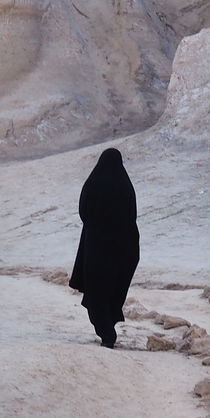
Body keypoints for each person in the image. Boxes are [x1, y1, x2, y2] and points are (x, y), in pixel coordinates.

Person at [69, 147, 139, 347]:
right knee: (112, 287)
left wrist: (97, 225)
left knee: (96, 288)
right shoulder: (126, 186)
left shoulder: (93, 183)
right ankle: (109, 327)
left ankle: (105, 330)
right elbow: (131, 215)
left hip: (96, 246)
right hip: (123, 248)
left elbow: (84, 211)